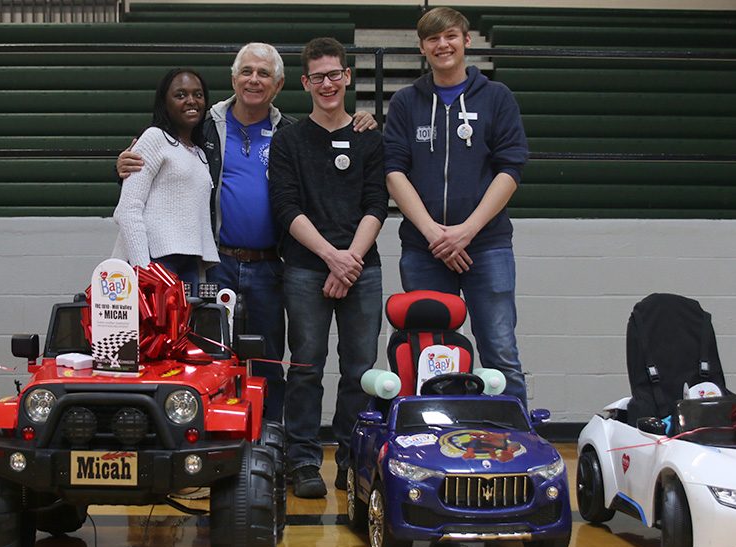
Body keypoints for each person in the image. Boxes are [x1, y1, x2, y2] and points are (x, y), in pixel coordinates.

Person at [116, 43, 377, 423]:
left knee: (269, 362)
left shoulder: (291, 133)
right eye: (247, 72)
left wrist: (362, 121)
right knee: (207, 356)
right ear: (234, 78)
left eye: (264, 74)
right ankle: (210, 440)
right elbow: (149, 168)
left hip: (271, 267)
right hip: (215, 263)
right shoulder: (203, 125)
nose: (254, 80)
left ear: (280, 83)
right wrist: (120, 165)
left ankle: (272, 446)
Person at [384, 7, 529, 404]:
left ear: (466, 40)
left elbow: (511, 168)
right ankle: (434, 442)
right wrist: (435, 234)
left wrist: (466, 232)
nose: (442, 45)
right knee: (430, 355)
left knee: (500, 352)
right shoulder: (405, 103)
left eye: (450, 36)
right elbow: (394, 172)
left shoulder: (497, 98)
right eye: (432, 39)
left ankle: (513, 443)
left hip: (487, 246)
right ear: (422, 48)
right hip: (424, 250)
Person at [269, 37, 388, 498]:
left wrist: (350, 261)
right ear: (305, 83)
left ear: (347, 77)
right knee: (305, 368)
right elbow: (285, 206)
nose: (327, 83)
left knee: (361, 369)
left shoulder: (369, 137)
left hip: (362, 268)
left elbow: (377, 203)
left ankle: (352, 455)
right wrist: (331, 258)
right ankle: (301, 460)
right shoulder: (290, 139)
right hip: (305, 268)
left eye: (334, 74)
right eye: (317, 76)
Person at [111, 68, 218, 291]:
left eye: (198, 95)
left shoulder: (199, 152)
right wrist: (145, 270)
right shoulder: (154, 138)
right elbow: (128, 210)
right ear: (164, 102)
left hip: (189, 262)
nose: (191, 101)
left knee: (186, 326)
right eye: (180, 95)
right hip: (156, 262)